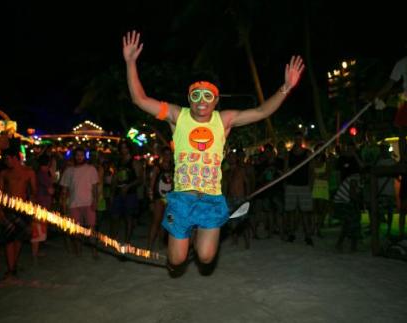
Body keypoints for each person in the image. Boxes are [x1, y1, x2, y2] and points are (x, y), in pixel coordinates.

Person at [122, 30, 304, 275]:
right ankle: (185, 239)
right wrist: (131, 62)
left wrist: (286, 87)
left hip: (211, 199)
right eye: (196, 95)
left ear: (216, 99)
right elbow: (140, 99)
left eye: (208, 96)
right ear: (189, 97)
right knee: (176, 261)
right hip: (182, 199)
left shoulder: (224, 119)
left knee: (206, 258)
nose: (201, 101)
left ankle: (200, 233)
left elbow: (261, 112)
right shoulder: (178, 116)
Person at [0, 149, 36, 278]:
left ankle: (13, 266)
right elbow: (0, 194)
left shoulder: (28, 172)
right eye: (4, 159)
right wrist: (0, 211)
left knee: (18, 239)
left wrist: (32, 211)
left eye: (7, 158)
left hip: (23, 208)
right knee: (9, 239)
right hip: (8, 208)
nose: (5, 161)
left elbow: (33, 193)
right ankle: (11, 268)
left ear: (15, 157)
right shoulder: (4, 173)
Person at [59, 147, 99, 257]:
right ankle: (78, 251)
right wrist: (63, 204)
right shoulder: (69, 171)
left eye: (81, 155)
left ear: (85, 156)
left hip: (88, 202)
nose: (79, 157)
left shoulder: (91, 169)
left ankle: (94, 251)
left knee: (91, 228)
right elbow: (64, 189)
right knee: (76, 229)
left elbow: (95, 187)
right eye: (77, 155)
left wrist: (95, 200)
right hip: (73, 203)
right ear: (74, 156)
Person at [147, 146, 173, 250]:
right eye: (165, 154)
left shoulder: (173, 168)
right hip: (159, 198)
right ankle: (149, 246)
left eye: (169, 154)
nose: (167, 156)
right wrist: (151, 200)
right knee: (156, 221)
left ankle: (161, 243)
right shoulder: (157, 167)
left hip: (170, 198)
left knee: (167, 221)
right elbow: (151, 184)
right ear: (162, 155)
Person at [32, 154, 54, 263]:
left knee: (39, 230)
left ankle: (36, 252)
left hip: (39, 204)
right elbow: (50, 190)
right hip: (41, 205)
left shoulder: (37, 173)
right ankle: (35, 254)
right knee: (38, 230)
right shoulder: (43, 174)